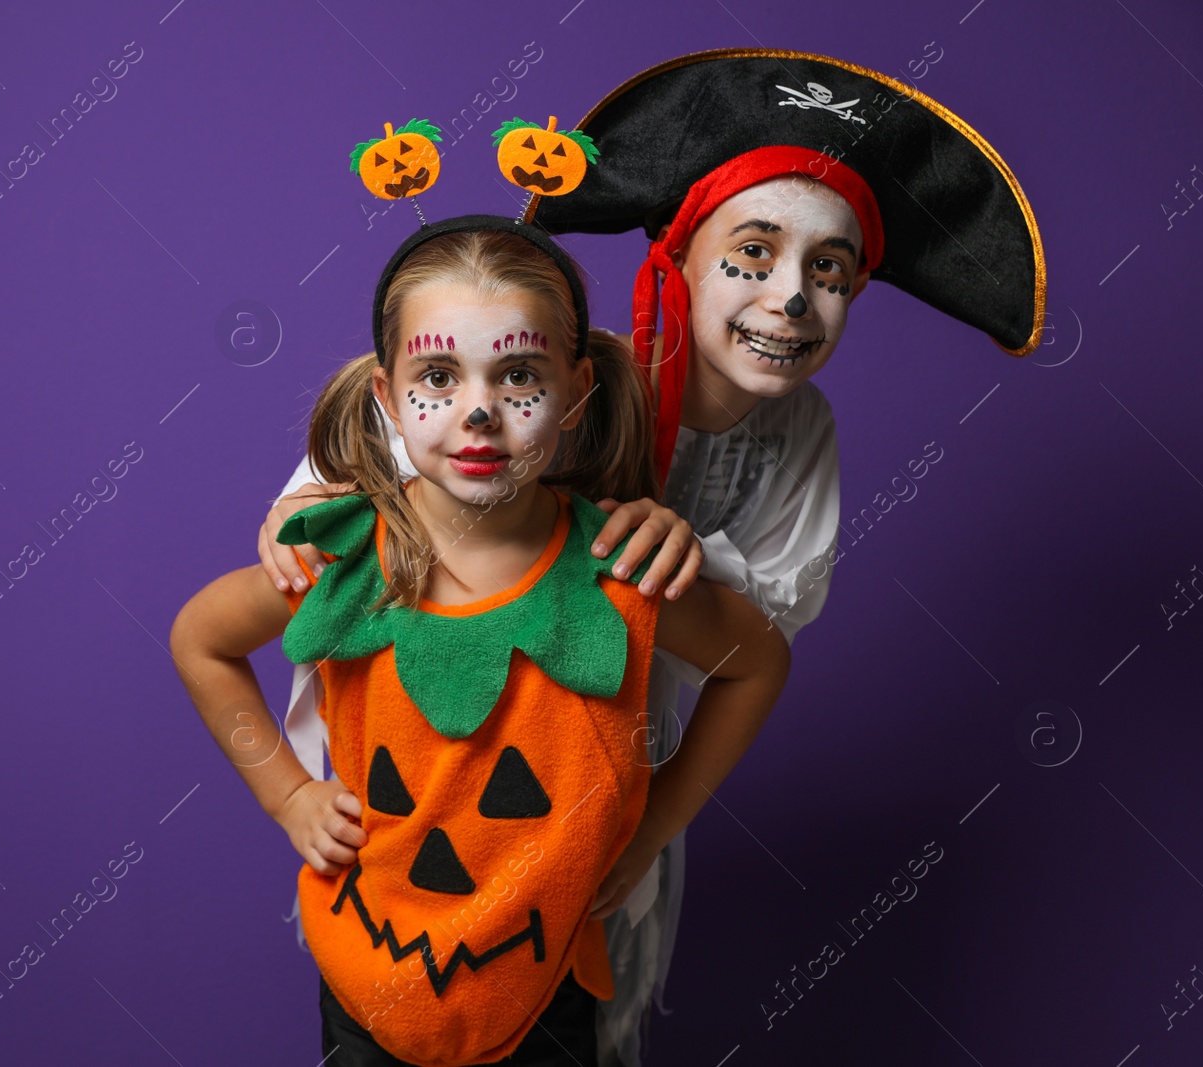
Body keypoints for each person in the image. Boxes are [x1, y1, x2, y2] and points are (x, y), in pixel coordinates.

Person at [267, 50, 1048, 1064]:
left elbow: (760, 637)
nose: (791, 298)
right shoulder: (548, 378)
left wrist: (647, 821)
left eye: (830, 271)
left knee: (579, 1020)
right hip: (430, 780)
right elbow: (345, 490)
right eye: (754, 252)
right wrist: (297, 516)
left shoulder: (799, 435)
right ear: (680, 250)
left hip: (600, 788)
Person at [171, 214, 791, 1065]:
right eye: (437, 375)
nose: (478, 411)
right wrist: (286, 796)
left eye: (518, 376)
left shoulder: (623, 571)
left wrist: (653, 826)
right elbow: (201, 639)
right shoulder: (342, 555)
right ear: (386, 397)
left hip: (544, 983)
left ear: (575, 393)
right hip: (367, 972)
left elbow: (757, 661)